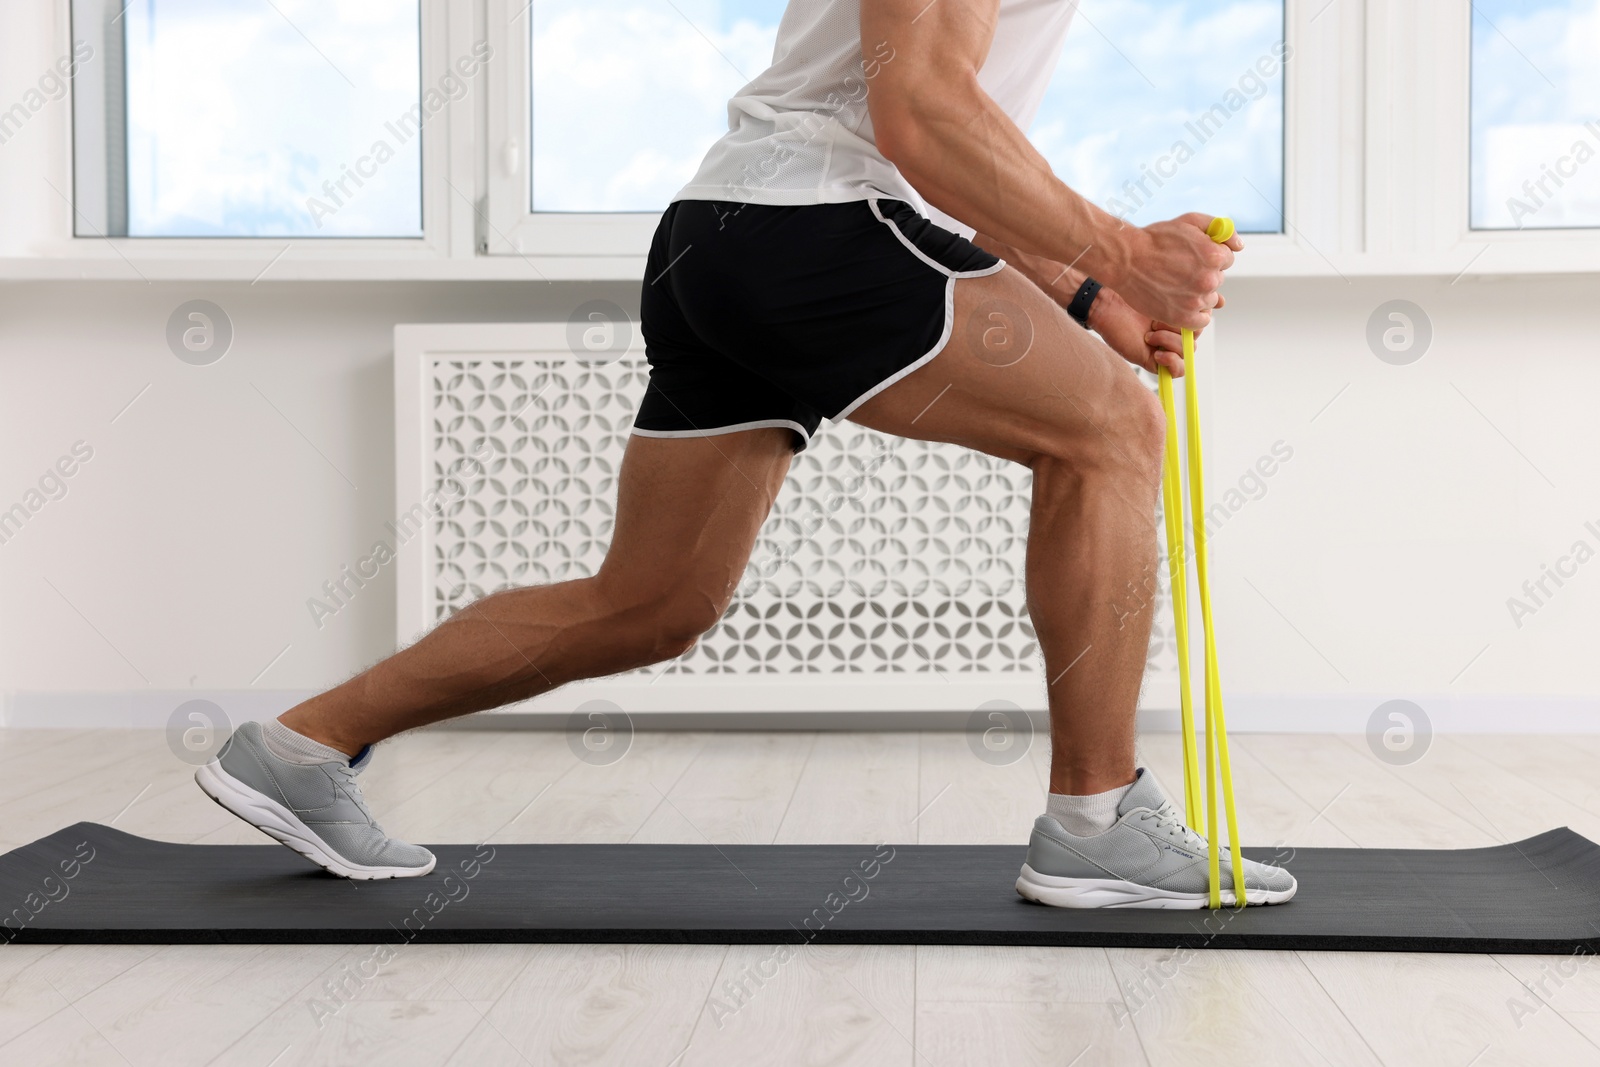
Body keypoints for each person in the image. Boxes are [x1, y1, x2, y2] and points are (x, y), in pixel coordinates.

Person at [196, 0, 1295, 908]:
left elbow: (956, 146)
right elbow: (916, 113)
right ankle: (1095, 818)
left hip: (730, 238)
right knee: (1110, 428)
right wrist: (1115, 248)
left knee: (653, 600)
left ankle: (298, 749)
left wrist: (1089, 291)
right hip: (813, 226)